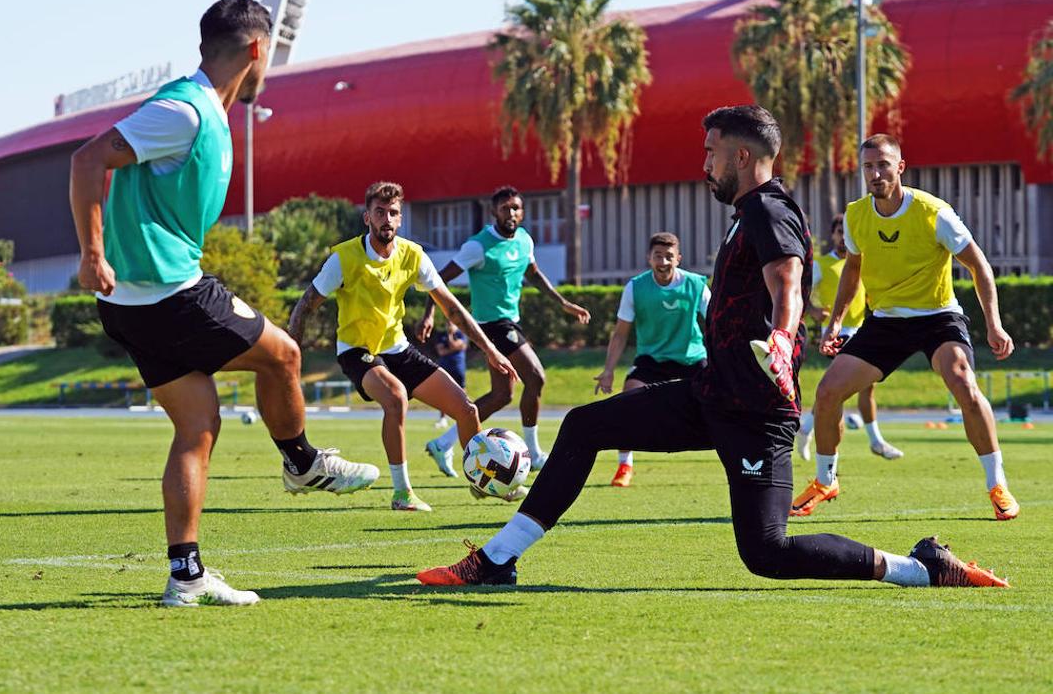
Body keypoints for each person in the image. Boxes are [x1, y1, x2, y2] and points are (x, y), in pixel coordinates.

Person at [416, 105, 1008, 590]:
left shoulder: (769, 208)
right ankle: (496, 561)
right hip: (710, 394)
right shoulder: (748, 209)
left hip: (756, 413)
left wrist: (781, 334)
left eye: (711, 152)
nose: (704, 163)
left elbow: (789, 280)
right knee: (583, 427)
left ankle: (919, 566)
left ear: (742, 156)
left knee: (767, 553)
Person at [69, 0, 379, 608]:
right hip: (171, 295)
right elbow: (87, 158)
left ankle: (185, 577)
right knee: (284, 355)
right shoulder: (182, 111)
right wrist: (91, 252)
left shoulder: (204, 109)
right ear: (258, 51)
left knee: (197, 426)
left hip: (134, 305)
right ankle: (302, 462)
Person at [798, 134, 1020, 520]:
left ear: (900, 167)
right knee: (828, 392)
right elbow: (853, 269)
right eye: (868, 166)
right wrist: (834, 322)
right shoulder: (855, 216)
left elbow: (979, 265)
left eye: (883, 164)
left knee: (964, 383)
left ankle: (997, 484)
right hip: (885, 321)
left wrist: (994, 325)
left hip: (938, 317)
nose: (875, 173)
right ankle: (825, 480)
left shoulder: (933, 212)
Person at [289, 181, 520, 512]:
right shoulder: (344, 259)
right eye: (380, 212)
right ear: (367, 217)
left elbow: (451, 307)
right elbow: (305, 305)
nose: (387, 219)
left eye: (393, 213)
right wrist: (292, 360)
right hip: (357, 350)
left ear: (401, 219)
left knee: (467, 411)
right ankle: (402, 494)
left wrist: (489, 350)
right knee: (396, 398)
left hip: (397, 349)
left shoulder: (413, 255)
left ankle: (483, 482)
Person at [415, 186, 590, 475]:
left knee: (501, 396)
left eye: (516, 208)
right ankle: (533, 453)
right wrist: (429, 313)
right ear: (494, 212)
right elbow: (438, 278)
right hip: (491, 325)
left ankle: (442, 443)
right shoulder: (478, 245)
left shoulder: (524, 240)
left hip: (510, 322)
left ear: (522, 212)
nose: (511, 213)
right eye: (505, 208)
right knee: (535, 377)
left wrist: (563, 303)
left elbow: (534, 274)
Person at [594, 232, 709, 487]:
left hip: (691, 358)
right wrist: (608, 370)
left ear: (678, 258)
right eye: (658, 256)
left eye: (669, 256)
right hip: (652, 359)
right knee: (627, 401)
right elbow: (621, 333)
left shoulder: (696, 285)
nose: (664, 262)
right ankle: (625, 465)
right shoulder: (636, 287)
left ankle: (732, 458)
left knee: (718, 402)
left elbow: (717, 322)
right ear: (649, 258)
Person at [794, 214, 901, 462]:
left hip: (863, 330)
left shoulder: (861, 261)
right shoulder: (821, 264)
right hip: (837, 332)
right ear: (832, 234)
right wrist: (811, 310)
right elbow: (800, 290)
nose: (843, 236)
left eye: (846, 232)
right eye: (839, 232)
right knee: (844, 388)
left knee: (865, 387)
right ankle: (866, 441)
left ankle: (808, 427)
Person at [433, 321, 468, 429]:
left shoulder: (461, 334)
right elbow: (441, 352)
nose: (449, 325)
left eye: (451, 323)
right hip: (445, 367)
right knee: (443, 392)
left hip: (458, 367)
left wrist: (451, 336)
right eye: (447, 323)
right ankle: (442, 419)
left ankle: (464, 415)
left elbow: (456, 346)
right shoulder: (441, 335)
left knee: (461, 391)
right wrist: (452, 347)